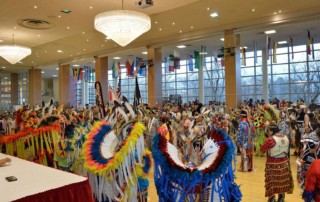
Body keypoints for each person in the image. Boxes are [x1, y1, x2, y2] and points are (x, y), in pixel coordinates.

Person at [260, 122, 294, 202]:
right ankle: (281, 198)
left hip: (273, 163)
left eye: (268, 130)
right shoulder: (286, 137)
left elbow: (262, 150)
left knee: (272, 182)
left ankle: (272, 199)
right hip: (284, 162)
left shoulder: (270, 139)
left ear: (271, 130)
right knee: (282, 181)